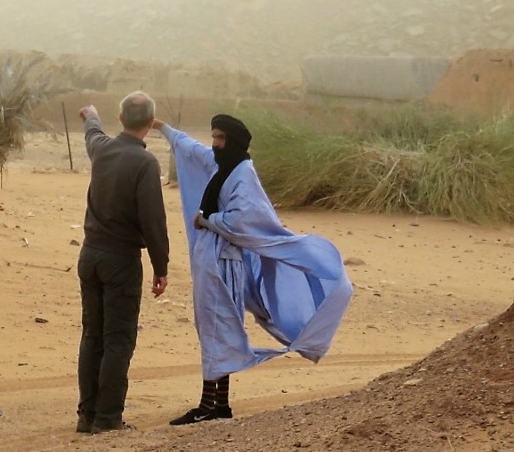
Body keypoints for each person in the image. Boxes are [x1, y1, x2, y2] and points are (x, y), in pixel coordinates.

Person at [154, 113, 352, 425]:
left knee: (218, 327)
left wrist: (207, 219)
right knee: (216, 328)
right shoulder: (223, 166)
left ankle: (209, 406)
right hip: (212, 260)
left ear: (233, 141)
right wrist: (163, 128)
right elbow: (193, 150)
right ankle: (219, 405)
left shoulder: (243, 174)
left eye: (220, 138)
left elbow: (242, 220)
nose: (215, 144)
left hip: (224, 264)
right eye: (214, 137)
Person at [76, 93, 169, 434]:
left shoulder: (102, 149)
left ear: (120, 118)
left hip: (90, 255)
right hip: (121, 260)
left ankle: (87, 415)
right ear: (151, 123)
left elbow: (93, 132)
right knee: (118, 339)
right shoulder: (145, 164)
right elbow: (153, 220)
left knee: (92, 336)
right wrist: (161, 267)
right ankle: (107, 418)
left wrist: (91, 115)